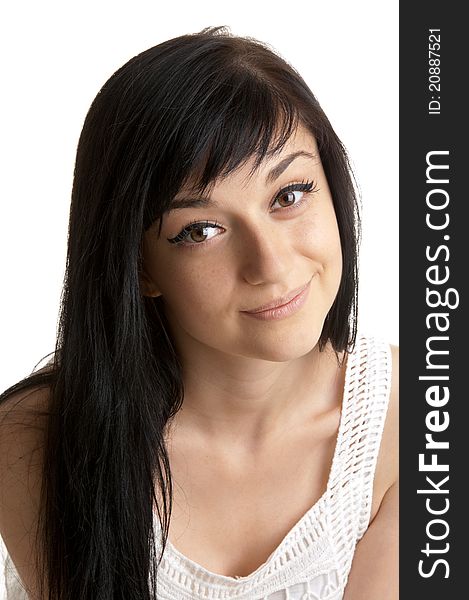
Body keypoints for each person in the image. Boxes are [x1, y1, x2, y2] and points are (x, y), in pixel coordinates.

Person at [0, 26, 398, 600]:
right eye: (200, 229)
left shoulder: (420, 416)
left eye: (289, 194)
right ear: (136, 266)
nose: (270, 263)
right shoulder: (36, 440)